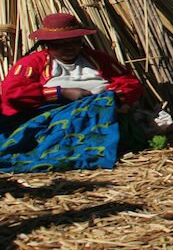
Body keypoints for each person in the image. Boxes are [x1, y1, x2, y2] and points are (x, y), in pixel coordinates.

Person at [0, 13, 144, 172]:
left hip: (101, 113)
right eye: (59, 44)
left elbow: (130, 83)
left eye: (74, 42)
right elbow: (13, 93)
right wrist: (62, 93)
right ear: (47, 44)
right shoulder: (33, 63)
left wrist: (111, 99)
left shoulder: (97, 59)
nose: (68, 48)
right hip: (53, 117)